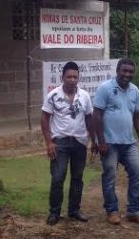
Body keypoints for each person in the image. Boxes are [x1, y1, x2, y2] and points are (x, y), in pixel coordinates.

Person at [92, 57, 139, 226]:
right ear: (117, 71)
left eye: (130, 72)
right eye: (124, 71)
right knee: (110, 175)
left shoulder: (134, 90)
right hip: (109, 143)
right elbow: (96, 116)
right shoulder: (105, 88)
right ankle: (112, 211)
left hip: (129, 143)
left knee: (138, 171)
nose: (127, 74)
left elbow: (138, 117)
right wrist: (100, 142)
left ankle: (134, 211)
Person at [41, 61, 97, 226]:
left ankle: (74, 211)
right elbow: (44, 119)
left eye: (75, 77)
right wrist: (49, 142)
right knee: (58, 177)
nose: (72, 80)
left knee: (77, 177)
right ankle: (54, 212)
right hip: (60, 143)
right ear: (62, 77)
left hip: (80, 142)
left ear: (78, 78)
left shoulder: (84, 96)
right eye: (69, 76)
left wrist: (94, 140)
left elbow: (89, 119)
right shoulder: (53, 95)